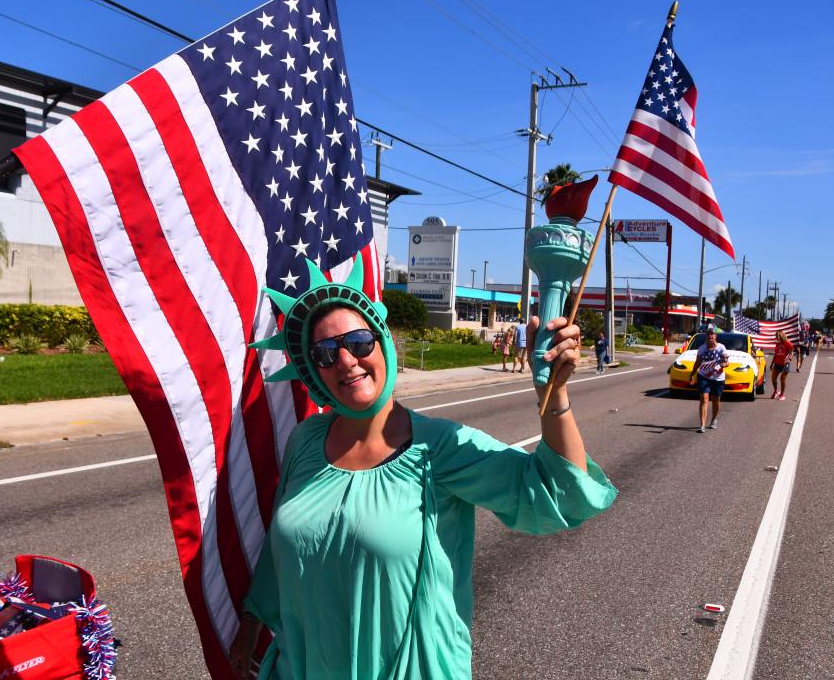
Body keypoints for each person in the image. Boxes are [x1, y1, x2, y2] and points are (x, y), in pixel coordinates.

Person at [228, 258, 616, 680]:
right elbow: (281, 549)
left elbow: (559, 492)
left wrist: (554, 395)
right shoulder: (305, 441)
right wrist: (252, 621)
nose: (345, 360)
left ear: (384, 343)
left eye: (359, 341)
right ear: (313, 371)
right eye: (324, 353)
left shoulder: (439, 446)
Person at [689, 325, 728, 433]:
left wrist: (724, 364)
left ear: (715, 336)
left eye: (712, 334)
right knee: (704, 398)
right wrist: (693, 373)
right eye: (708, 334)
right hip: (704, 376)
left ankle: (714, 419)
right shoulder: (702, 348)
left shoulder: (721, 348)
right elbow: (697, 362)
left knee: (715, 400)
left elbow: (726, 361)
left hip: (718, 378)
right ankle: (702, 425)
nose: (710, 336)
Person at [770, 330, 794, 400]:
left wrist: (789, 359)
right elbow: (775, 354)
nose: (776, 338)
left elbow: (791, 353)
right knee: (773, 378)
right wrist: (772, 363)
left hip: (785, 364)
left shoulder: (788, 344)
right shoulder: (777, 344)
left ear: (781, 336)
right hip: (777, 363)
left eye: (777, 336)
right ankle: (775, 391)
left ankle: (782, 394)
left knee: (782, 379)